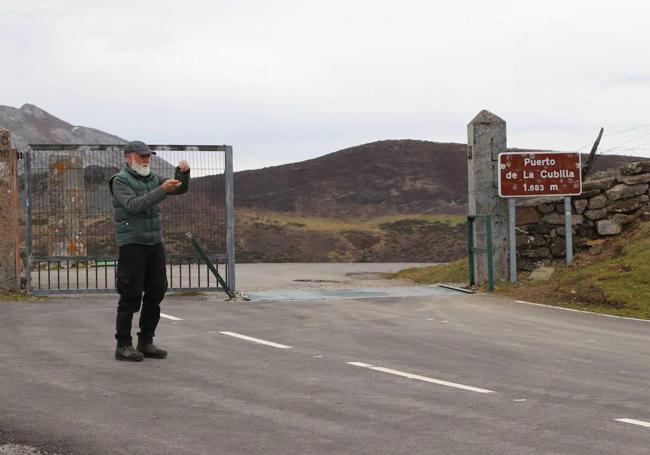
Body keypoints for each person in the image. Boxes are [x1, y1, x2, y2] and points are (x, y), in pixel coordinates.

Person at [108, 141, 190, 361]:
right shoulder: (119, 181)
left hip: (154, 243)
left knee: (156, 292)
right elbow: (134, 205)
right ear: (129, 158)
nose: (146, 160)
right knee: (130, 295)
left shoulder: (152, 178)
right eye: (142, 156)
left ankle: (146, 342)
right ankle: (123, 345)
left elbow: (179, 188)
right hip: (132, 244)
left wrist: (183, 173)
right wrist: (161, 190)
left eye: (148, 156)